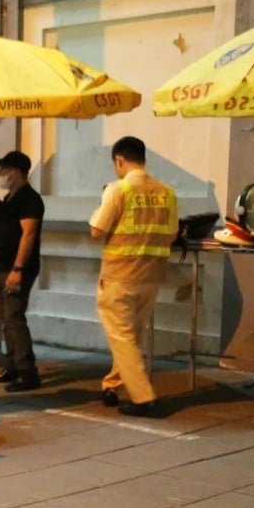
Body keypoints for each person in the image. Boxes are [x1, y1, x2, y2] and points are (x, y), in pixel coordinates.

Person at [89, 136, 178, 418]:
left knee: (123, 337)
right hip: (151, 276)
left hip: (119, 275)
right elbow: (173, 233)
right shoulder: (167, 193)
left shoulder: (118, 190)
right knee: (132, 336)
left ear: (119, 160)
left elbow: (96, 231)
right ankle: (113, 384)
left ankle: (143, 398)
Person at [0, 150, 45, 392]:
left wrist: (18, 269)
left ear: (17, 172)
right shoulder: (9, 199)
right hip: (4, 267)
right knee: (6, 319)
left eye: (3, 169)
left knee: (14, 317)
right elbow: (2, 238)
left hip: (20, 268)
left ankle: (28, 372)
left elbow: (28, 234)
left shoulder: (30, 199)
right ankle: (11, 366)